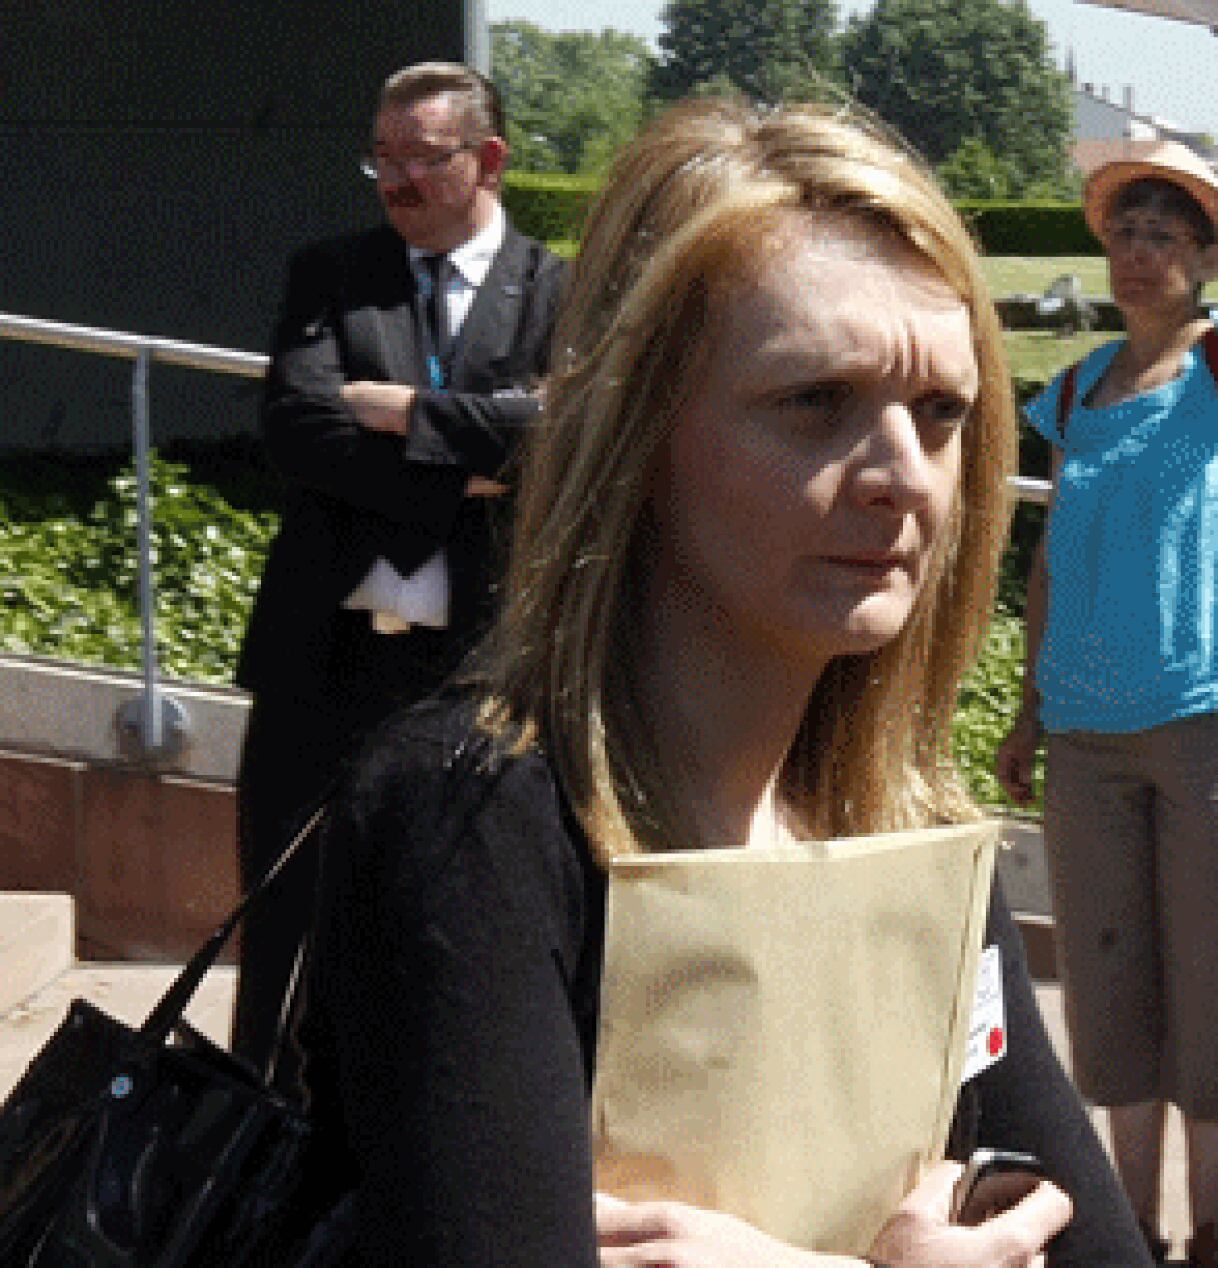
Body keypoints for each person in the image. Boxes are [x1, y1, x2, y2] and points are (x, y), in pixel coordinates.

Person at [293, 98, 1152, 1265]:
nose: (905, 475)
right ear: (634, 427)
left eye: (942, 411)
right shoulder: (470, 816)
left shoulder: (905, 826)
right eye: (814, 401)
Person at [991, 6, 1218, 1262]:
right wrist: (1028, 706)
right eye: (1124, 230)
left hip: (1216, 723)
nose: (1138, 250)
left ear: (1201, 258)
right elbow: (1051, 565)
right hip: (1084, 735)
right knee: (1113, 996)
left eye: (1162, 233)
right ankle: (1130, 1224)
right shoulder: (1074, 391)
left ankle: (1214, 1226)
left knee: (1216, 994)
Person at [230, 61, 566, 1075]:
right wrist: (455, 474)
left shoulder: (560, 291)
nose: (395, 180)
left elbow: (553, 440)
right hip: (318, 665)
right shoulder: (331, 273)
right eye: (383, 157)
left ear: (489, 159)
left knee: (445, 934)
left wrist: (396, 409)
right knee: (282, 926)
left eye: (422, 157)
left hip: (476, 674)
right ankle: (251, 1164)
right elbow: (296, 426)